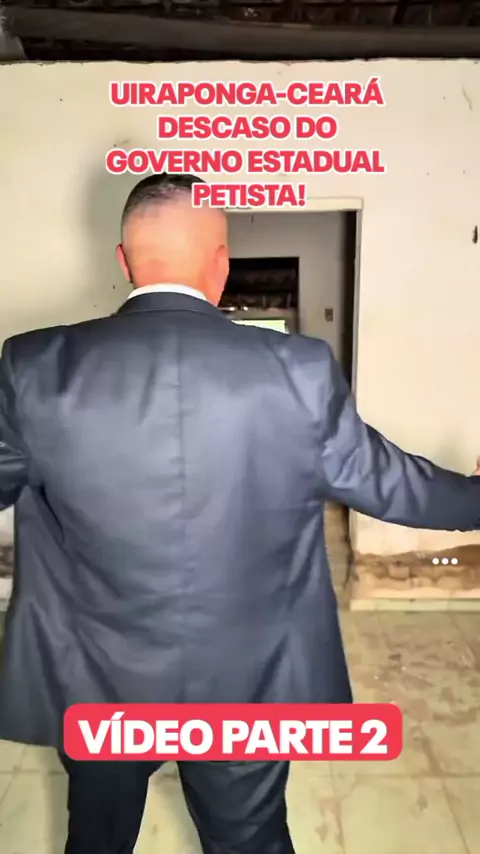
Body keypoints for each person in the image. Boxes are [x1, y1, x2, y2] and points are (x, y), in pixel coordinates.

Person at [0, 172, 479, 854]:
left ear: (124, 261)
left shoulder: (35, 368)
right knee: (249, 839)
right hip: (244, 680)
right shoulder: (298, 370)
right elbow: (397, 487)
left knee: (98, 837)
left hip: (98, 678)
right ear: (221, 264)